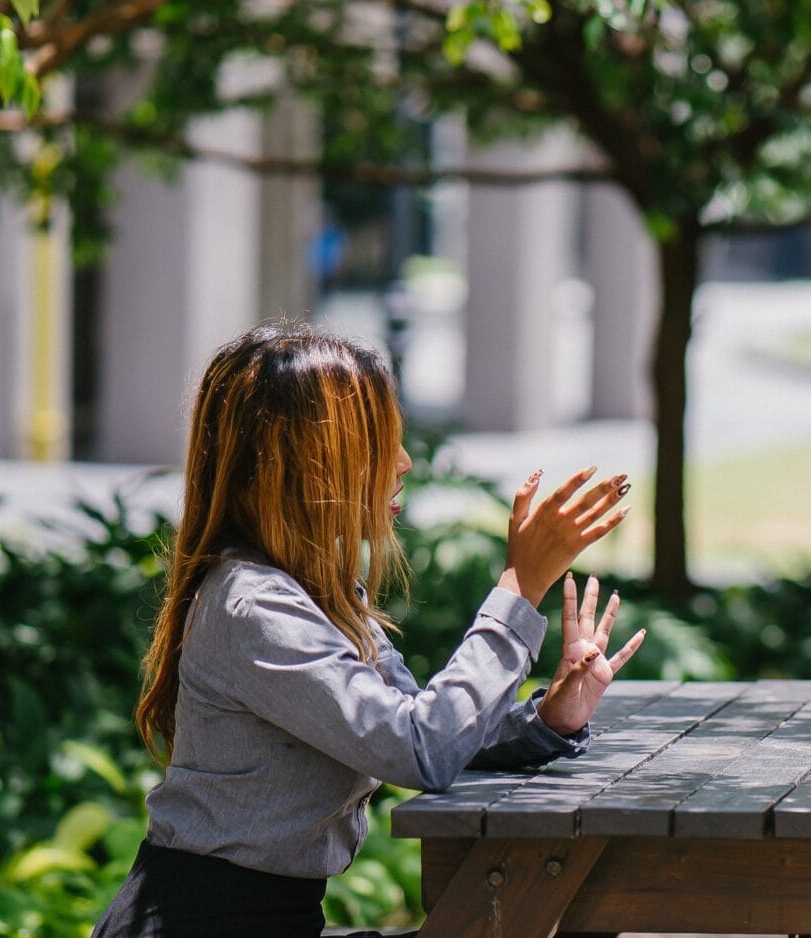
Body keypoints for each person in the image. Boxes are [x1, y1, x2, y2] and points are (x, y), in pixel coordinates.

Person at [95, 321, 646, 936]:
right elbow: (420, 751)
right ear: (305, 463)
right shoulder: (253, 609)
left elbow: (426, 726)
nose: (405, 462)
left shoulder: (318, 590)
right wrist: (519, 588)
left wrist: (550, 720)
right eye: (379, 443)